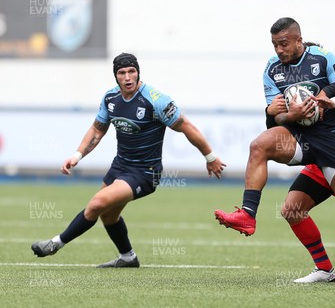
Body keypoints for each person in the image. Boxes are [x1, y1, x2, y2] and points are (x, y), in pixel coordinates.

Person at [214, 18, 335, 285]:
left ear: (299, 41)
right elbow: (275, 122)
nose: (279, 50)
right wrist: (284, 114)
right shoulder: (271, 69)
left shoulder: (322, 58)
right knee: (261, 148)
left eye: (284, 44)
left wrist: (325, 98)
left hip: (331, 139)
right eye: (274, 45)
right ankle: (249, 215)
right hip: (300, 137)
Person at [31, 53, 226, 267]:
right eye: (122, 73)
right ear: (116, 77)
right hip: (120, 166)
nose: (128, 77)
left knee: (96, 204)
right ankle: (128, 257)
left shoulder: (156, 100)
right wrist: (77, 156)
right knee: (108, 216)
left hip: (145, 172)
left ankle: (55, 244)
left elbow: (187, 127)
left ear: (138, 73)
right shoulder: (110, 98)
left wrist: (210, 157)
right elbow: (97, 130)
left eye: (132, 71)